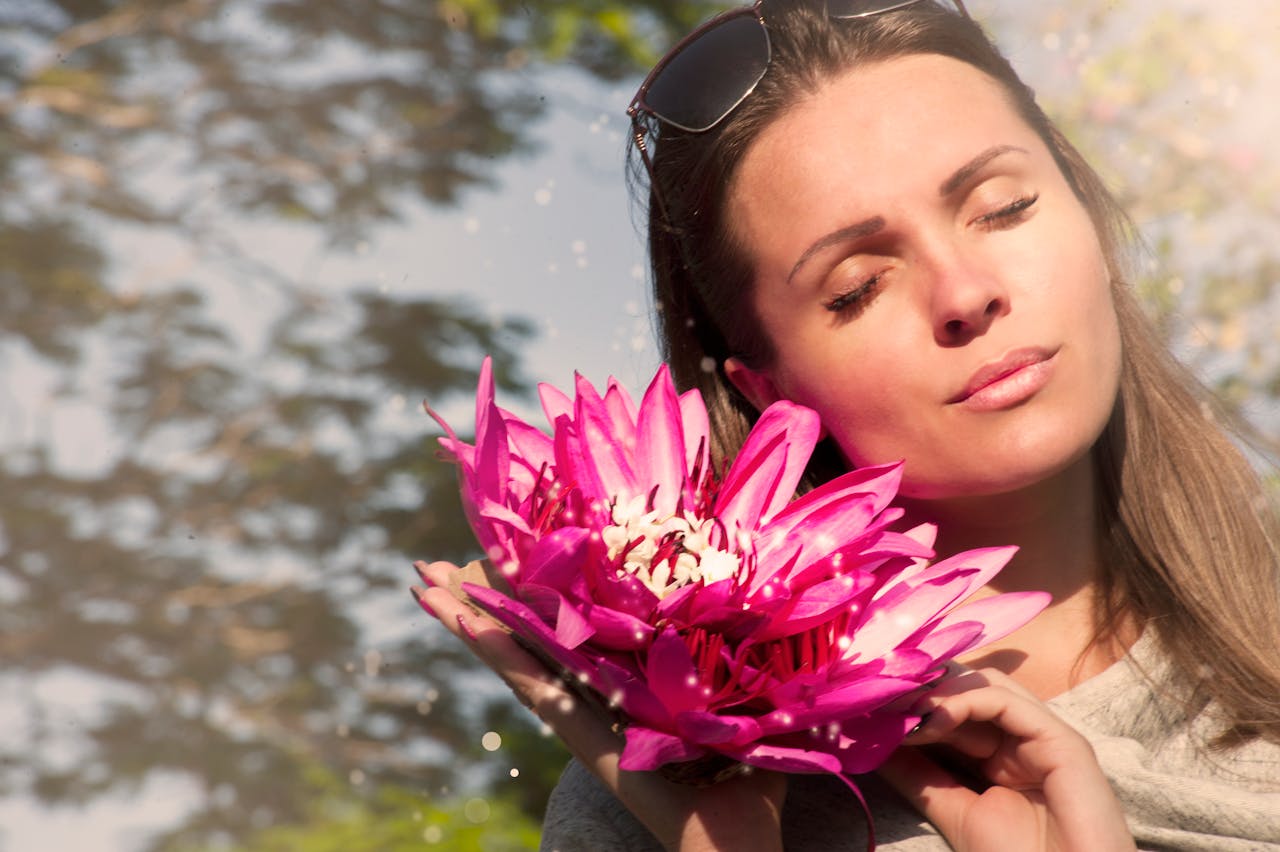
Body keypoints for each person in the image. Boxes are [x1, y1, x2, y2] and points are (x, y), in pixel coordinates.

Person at [414, 1, 1280, 848]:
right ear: (765, 391)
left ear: (1087, 211)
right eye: (857, 286)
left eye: (1003, 207)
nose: (965, 294)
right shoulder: (657, 806)